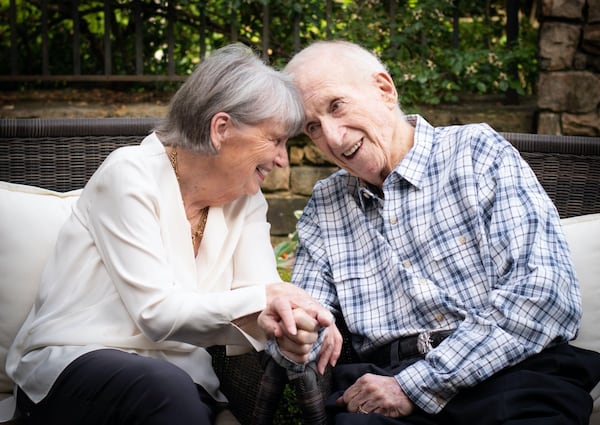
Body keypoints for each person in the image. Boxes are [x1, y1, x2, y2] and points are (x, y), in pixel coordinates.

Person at [272, 40, 600, 424]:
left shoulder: (476, 152)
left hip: (514, 376)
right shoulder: (325, 205)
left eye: (336, 106)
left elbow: (547, 295)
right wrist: (297, 336)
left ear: (384, 89)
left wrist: (417, 384)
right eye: (313, 127)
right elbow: (303, 331)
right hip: (383, 391)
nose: (331, 137)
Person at [6, 43, 333, 425]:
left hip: (180, 384)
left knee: (175, 391)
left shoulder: (245, 199)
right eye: (276, 140)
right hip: (72, 367)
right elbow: (156, 314)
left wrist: (295, 321)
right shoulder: (130, 175)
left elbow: (259, 294)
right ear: (221, 128)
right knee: (167, 390)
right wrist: (268, 298)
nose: (283, 160)